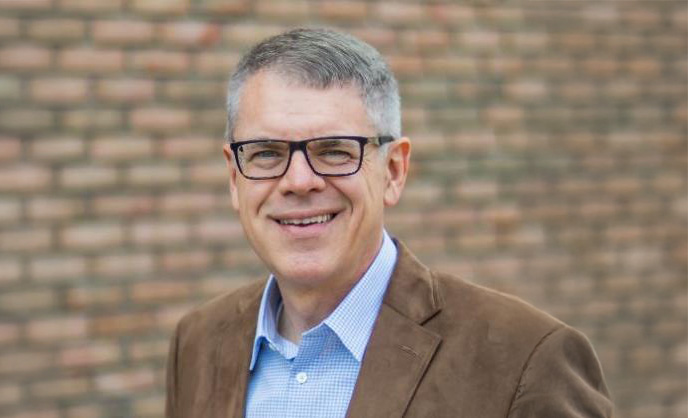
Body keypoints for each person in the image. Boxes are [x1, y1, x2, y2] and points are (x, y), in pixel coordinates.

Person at [166, 28, 613, 418]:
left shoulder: (526, 360)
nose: (299, 181)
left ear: (394, 171)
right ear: (233, 177)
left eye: (335, 151)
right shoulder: (198, 342)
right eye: (266, 153)